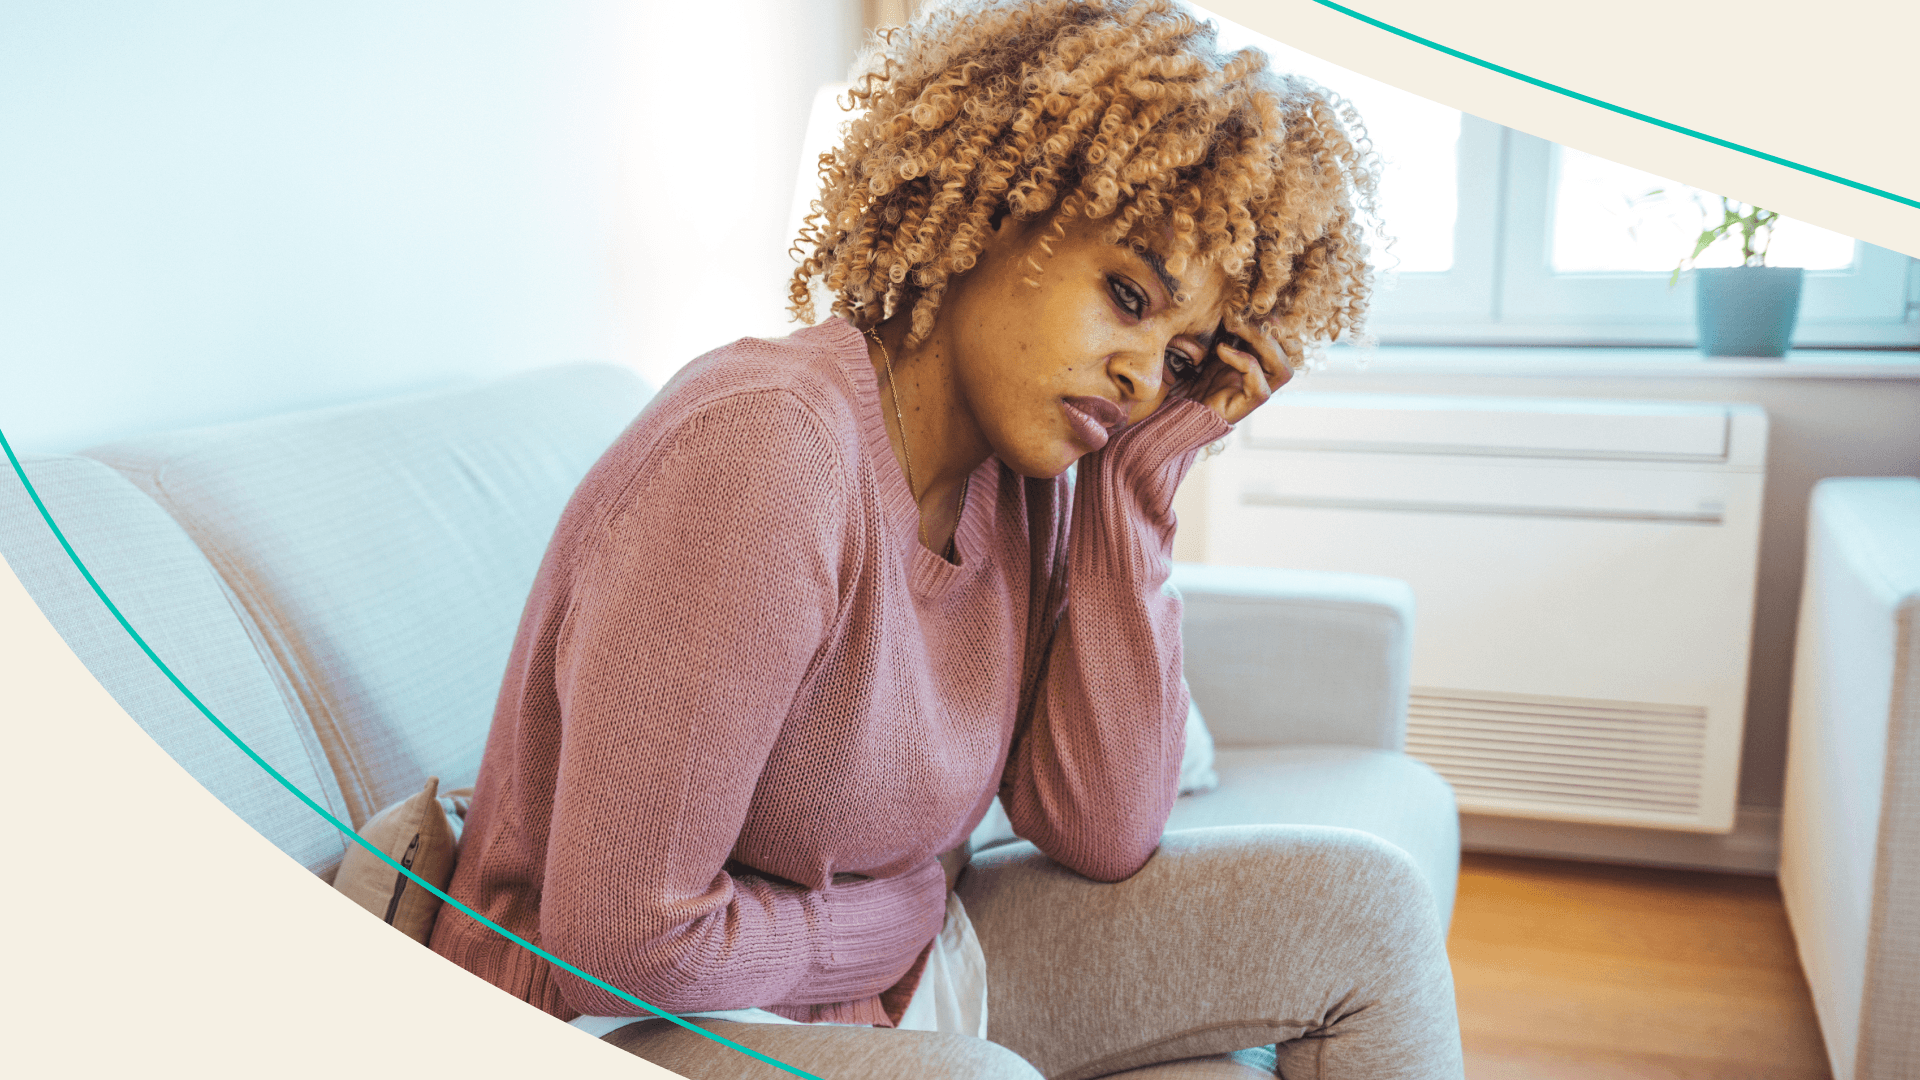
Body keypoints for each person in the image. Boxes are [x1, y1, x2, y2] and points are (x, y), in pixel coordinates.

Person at [431, 1, 1464, 1076]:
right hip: (611, 1017)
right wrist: (891, 918)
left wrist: (1136, 492)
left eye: (1186, 361)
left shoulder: (1037, 478)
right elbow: (622, 942)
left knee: (1368, 909)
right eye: (1126, 296)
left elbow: (1100, 833)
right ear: (992, 203)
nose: (1143, 377)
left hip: (876, 984)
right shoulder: (767, 450)